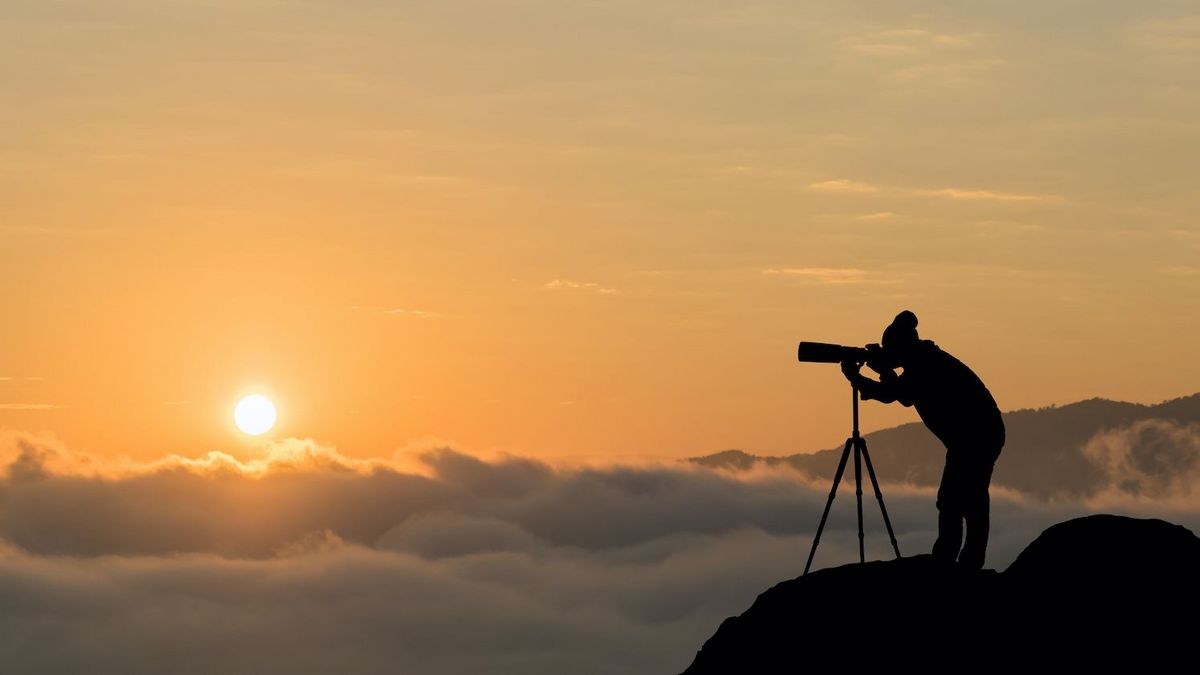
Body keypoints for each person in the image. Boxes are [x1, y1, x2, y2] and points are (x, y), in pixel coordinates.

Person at [840, 310, 1004, 570]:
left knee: (958, 498)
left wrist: (858, 377)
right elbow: (903, 395)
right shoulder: (924, 358)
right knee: (966, 497)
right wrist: (882, 369)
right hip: (976, 434)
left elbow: (894, 394)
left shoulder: (924, 363)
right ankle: (960, 559)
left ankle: (953, 560)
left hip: (975, 435)